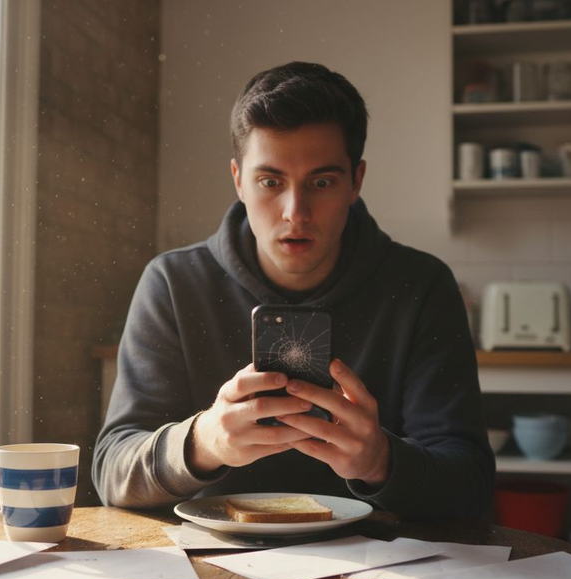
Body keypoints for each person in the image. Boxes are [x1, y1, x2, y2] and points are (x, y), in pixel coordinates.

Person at [92, 61, 494, 519]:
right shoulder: (172, 282)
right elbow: (112, 473)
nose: (295, 212)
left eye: (321, 183)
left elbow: (472, 486)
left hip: (380, 556)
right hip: (214, 554)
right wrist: (203, 442)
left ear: (356, 182)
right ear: (238, 180)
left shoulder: (421, 287)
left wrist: (381, 462)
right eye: (270, 182)